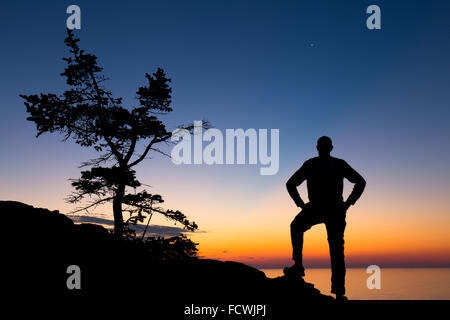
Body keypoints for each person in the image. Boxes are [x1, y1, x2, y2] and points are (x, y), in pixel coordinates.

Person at [285, 136, 366, 300]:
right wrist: (348, 204)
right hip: (334, 209)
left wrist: (302, 205)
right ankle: (338, 291)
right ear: (331, 148)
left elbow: (290, 184)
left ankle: (299, 266)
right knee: (336, 250)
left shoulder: (312, 164)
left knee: (297, 227)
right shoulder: (338, 164)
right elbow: (361, 182)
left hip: (321, 208)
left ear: (317, 148)